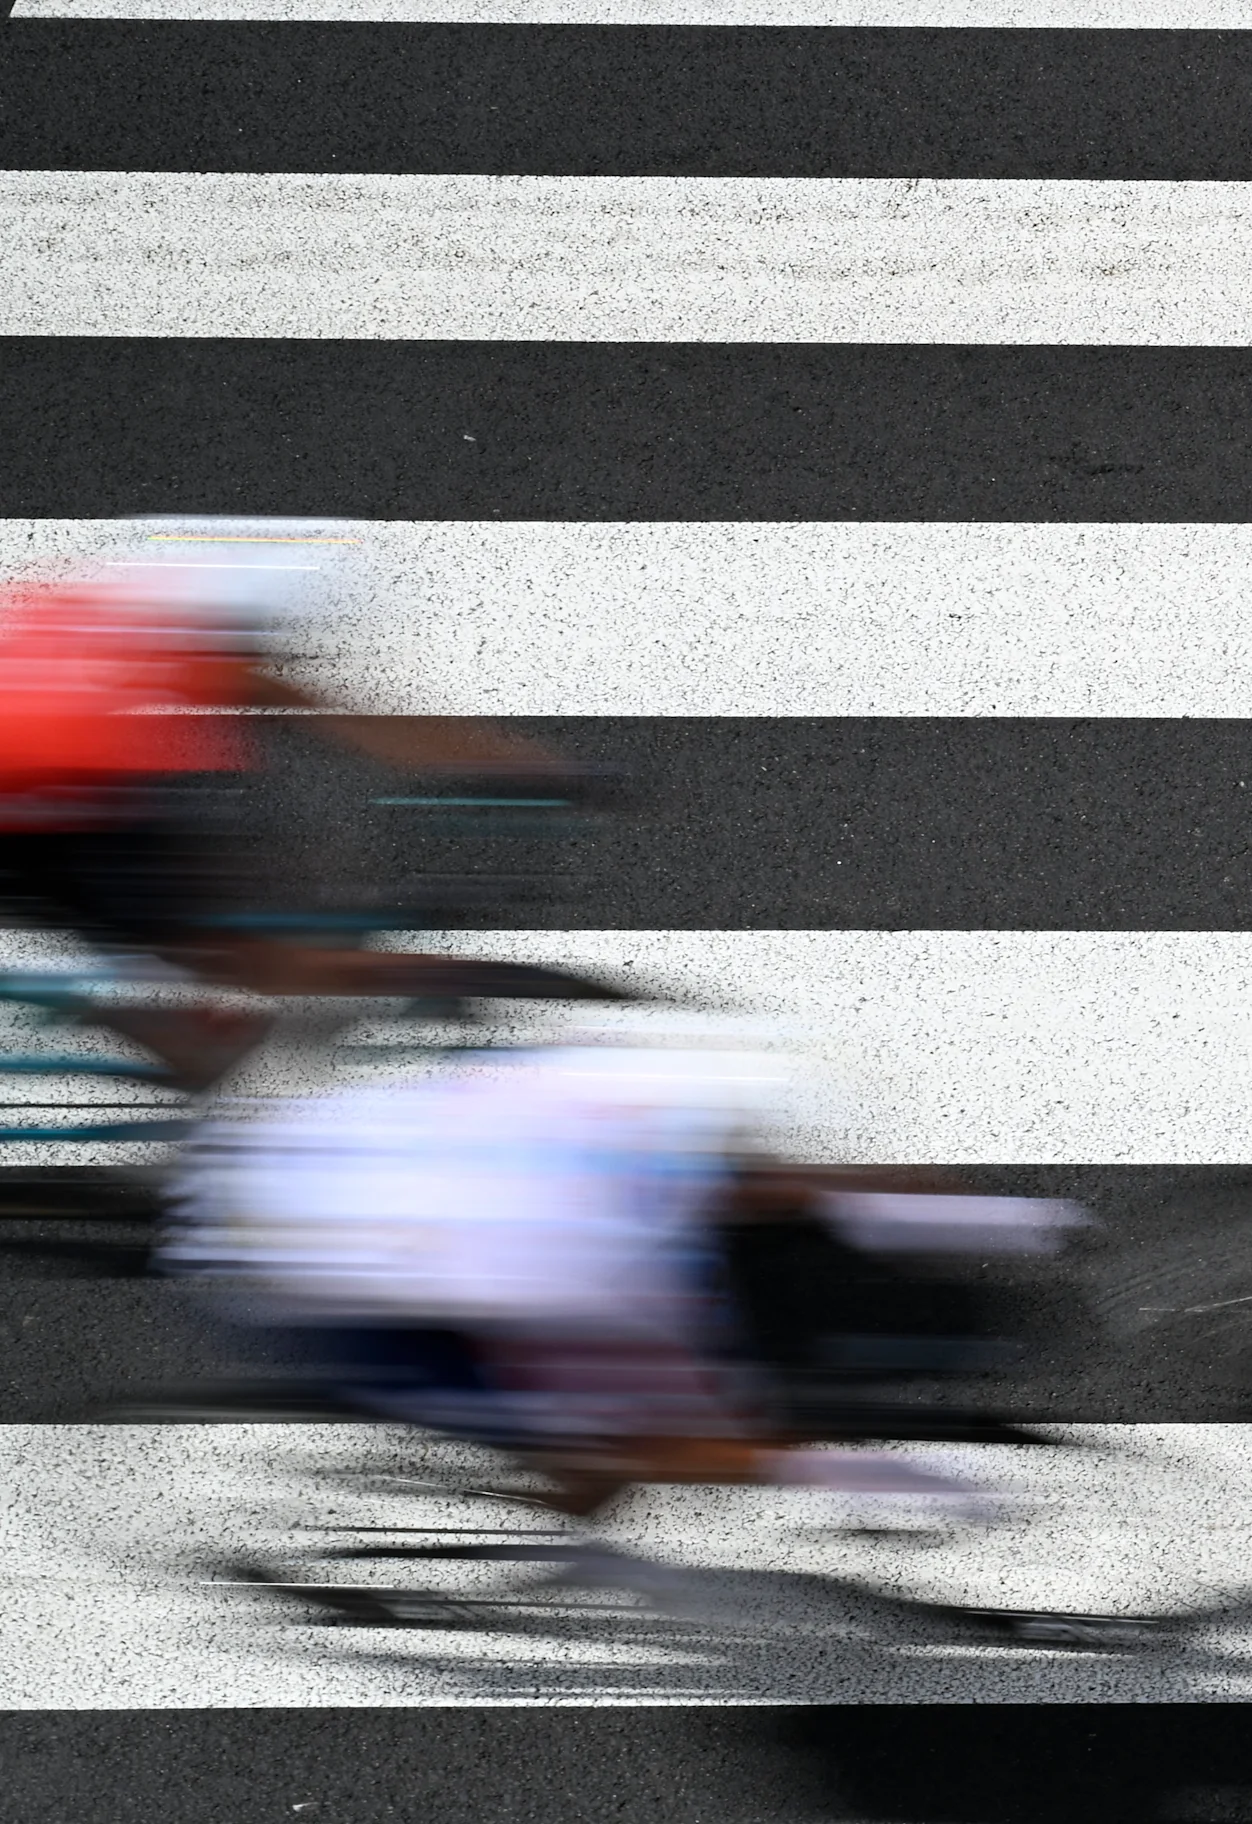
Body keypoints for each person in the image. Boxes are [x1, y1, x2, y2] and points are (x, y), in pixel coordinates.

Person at [166, 1011, 1081, 1607]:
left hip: (343, 1172)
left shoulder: (633, 1120)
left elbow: (782, 1180)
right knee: (613, 1454)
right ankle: (537, 1545)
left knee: (723, 1278)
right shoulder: (581, 1277)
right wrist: (880, 1478)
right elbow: (691, 1445)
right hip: (335, 1303)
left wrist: (992, 1214)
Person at [0, 517, 581, 1087]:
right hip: (61, 805)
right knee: (252, 956)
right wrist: (531, 769)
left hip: (41, 801)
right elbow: (368, 728)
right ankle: (188, 1041)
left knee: (181, 945)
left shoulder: (87, 608)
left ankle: (169, 1033)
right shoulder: (199, 638)